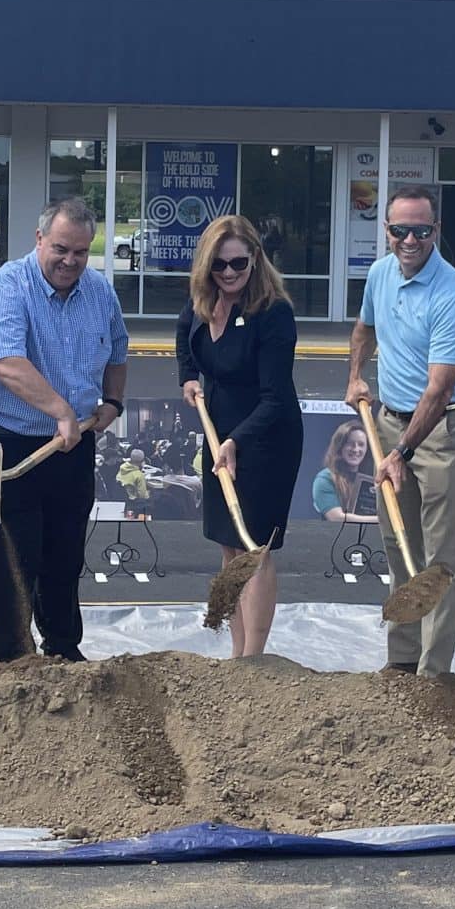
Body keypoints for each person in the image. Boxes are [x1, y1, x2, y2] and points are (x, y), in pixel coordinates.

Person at [0, 198, 130, 663]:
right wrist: (60, 409)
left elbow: (118, 351)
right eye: (60, 248)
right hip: (5, 436)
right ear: (39, 240)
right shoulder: (8, 287)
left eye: (80, 251)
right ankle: (16, 657)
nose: (70, 261)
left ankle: (61, 647)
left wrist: (113, 401)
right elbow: (6, 364)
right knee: (14, 553)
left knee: (65, 548)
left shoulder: (99, 292)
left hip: (71, 440)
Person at [345, 185, 455, 676]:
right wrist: (355, 375)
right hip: (389, 422)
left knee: (441, 558)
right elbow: (364, 329)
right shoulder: (381, 275)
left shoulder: (454, 296)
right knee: (399, 544)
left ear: (435, 231)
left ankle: (433, 671)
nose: (410, 239)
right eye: (400, 230)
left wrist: (399, 452)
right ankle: (402, 659)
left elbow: (439, 391)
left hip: (442, 430)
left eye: (421, 230)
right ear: (386, 231)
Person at [177, 213, 300, 657]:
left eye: (239, 264)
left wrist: (236, 442)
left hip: (266, 438)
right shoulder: (202, 299)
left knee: (255, 548)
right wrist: (188, 377)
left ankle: (255, 660)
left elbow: (275, 397)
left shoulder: (273, 313)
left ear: (255, 260)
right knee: (229, 548)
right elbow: (183, 335)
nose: (229, 274)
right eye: (219, 265)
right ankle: (236, 653)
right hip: (220, 433)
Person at [312, 420, 376, 527]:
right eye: (350, 444)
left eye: (361, 445)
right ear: (339, 446)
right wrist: (382, 521)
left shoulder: (373, 478)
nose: (356, 449)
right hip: (334, 540)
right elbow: (336, 517)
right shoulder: (324, 479)